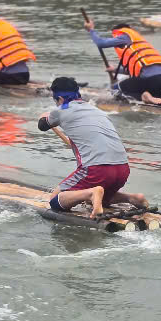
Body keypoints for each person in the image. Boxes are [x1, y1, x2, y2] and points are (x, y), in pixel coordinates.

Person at [38, 77, 146, 218]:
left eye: (55, 100)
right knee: (100, 199)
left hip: (97, 170)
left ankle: (91, 192)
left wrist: (44, 116)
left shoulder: (60, 111)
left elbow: (42, 125)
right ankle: (131, 198)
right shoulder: (97, 110)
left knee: (55, 201)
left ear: (60, 99)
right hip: (122, 169)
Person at [84, 18, 161, 105]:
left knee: (114, 89)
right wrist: (115, 69)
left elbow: (100, 43)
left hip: (150, 80)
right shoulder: (137, 40)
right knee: (146, 87)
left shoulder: (124, 36)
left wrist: (91, 30)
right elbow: (140, 69)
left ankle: (144, 97)